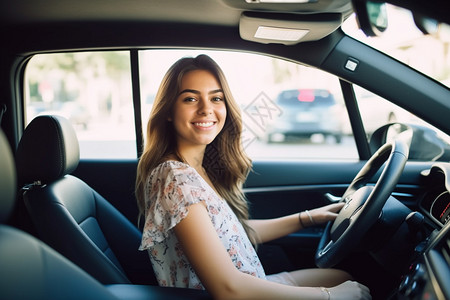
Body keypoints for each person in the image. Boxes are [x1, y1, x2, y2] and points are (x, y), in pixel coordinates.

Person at [136, 54, 371, 300]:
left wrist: (308, 218)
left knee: (342, 277)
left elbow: (235, 234)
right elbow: (227, 289)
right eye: (190, 98)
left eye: (216, 98)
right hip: (236, 292)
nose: (206, 109)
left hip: (250, 282)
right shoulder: (176, 178)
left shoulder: (196, 169)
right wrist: (329, 297)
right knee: (346, 288)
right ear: (169, 111)